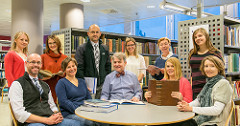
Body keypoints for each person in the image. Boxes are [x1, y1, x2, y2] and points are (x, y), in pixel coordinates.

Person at [8, 53, 81, 126]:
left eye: (38, 62)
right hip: (31, 122)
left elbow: (52, 106)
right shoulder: (17, 84)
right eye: (33, 62)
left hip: (50, 120)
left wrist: (56, 114)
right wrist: (46, 120)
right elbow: (19, 114)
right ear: (26, 64)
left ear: (41, 65)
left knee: (77, 124)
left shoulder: (45, 85)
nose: (36, 65)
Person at [177, 55, 233, 126]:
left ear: (219, 68)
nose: (208, 69)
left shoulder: (223, 83)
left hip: (215, 122)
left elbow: (217, 110)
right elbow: (199, 101)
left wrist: (191, 108)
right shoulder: (209, 83)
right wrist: (186, 105)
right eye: (206, 66)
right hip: (206, 119)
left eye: (212, 66)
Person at [75, 24, 111, 99]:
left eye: (97, 32)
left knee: (101, 107)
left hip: (102, 85)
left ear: (100, 34)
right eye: (92, 32)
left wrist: (107, 82)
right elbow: (79, 68)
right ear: (88, 34)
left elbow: (108, 66)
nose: (95, 34)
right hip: (88, 86)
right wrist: (83, 84)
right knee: (89, 107)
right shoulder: (82, 48)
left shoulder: (104, 48)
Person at [55, 57, 93, 126]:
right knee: (89, 122)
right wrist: (78, 110)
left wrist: (90, 109)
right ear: (64, 70)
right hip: (70, 113)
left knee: (101, 120)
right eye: (68, 67)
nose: (72, 69)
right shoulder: (61, 83)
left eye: (73, 66)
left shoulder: (82, 81)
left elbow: (89, 99)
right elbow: (63, 102)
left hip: (85, 111)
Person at [188, 28, 223, 99]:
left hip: (211, 88)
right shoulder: (192, 53)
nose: (198, 38)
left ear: (206, 37)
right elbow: (192, 72)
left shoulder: (215, 53)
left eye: (200, 36)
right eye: (195, 37)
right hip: (196, 89)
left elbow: (221, 72)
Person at [41, 35, 67, 103]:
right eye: (50, 43)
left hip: (60, 88)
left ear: (58, 43)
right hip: (47, 88)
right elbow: (38, 74)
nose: (52, 45)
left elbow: (68, 74)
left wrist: (63, 74)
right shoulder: (43, 57)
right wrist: (47, 76)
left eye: (54, 42)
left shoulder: (65, 58)